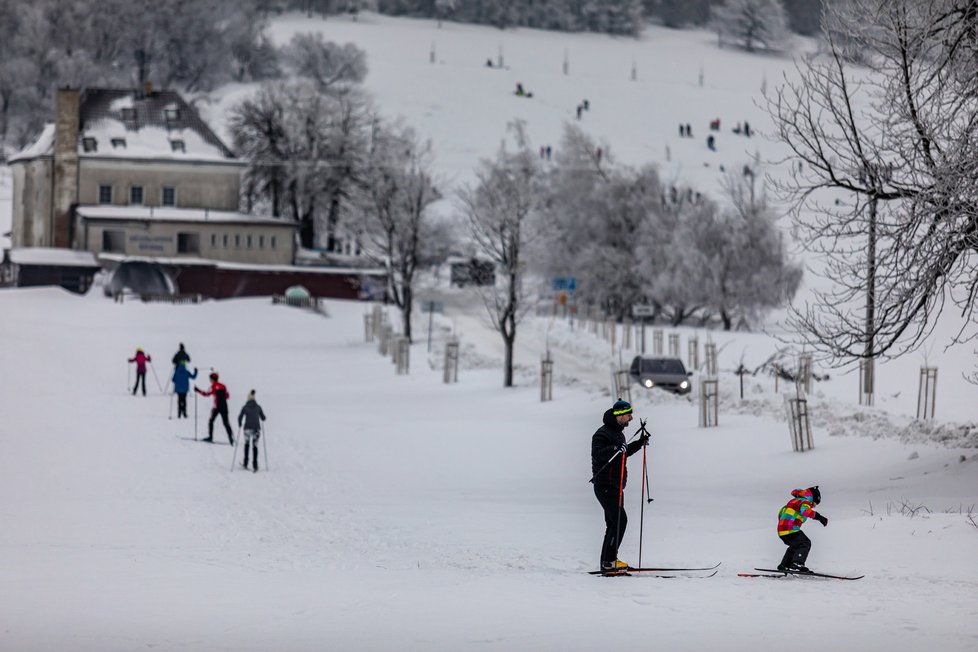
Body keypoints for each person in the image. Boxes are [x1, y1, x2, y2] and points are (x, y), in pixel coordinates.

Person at [590, 399, 650, 571]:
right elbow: (598, 455)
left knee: (613, 523)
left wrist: (639, 443)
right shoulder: (602, 433)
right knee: (620, 521)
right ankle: (609, 561)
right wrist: (615, 447)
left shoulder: (617, 432)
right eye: (628, 414)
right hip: (605, 485)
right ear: (619, 415)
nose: (631, 418)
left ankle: (608, 562)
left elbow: (622, 453)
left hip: (615, 486)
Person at [777, 486, 829, 572]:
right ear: (812, 499)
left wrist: (783, 524)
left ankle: (784, 565)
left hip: (781, 530)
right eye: (815, 503)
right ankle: (797, 564)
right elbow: (806, 511)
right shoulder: (805, 501)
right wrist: (820, 517)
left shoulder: (794, 501)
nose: (814, 506)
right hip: (791, 529)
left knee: (795, 545)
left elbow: (781, 512)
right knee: (805, 543)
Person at [196, 372, 234, 445]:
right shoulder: (223, 386)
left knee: (211, 421)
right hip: (224, 406)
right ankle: (230, 437)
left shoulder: (213, 386)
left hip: (216, 407)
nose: (210, 380)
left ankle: (210, 437)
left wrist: (198, 390)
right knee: (226, 423)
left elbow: (206, 394)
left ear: (212, 379)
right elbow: (227, 396)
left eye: (210, 379)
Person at [237, 390, 267, 472]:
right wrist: (262, 418)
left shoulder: (245, 407)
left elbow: (240, 417)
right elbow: (263, 418)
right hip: (256, 429)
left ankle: (245, 462)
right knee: (255, 446)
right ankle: (255, 464)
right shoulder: (258, 407)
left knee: (247, 444)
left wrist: (239, 424)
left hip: (247, 429)